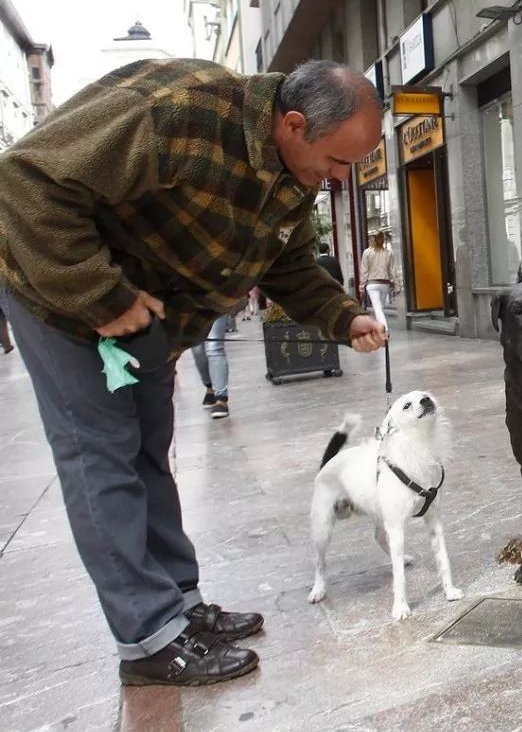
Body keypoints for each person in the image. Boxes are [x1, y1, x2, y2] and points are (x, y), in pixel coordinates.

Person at [0, 58, 387, 687]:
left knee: (151, 452)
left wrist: (345, 320)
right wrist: (104, 297)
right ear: (293, 123)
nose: (341, 178)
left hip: (148, 326)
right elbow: (24, 182)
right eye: (339, 162)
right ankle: (147, 639)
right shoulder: (179, 111)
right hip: (63, 299)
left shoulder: (297, 172)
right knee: (102, 459)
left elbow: (285, 269)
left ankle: (178, 606)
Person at [359, 231, 395, 316]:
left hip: (372, 284)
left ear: (372, 240)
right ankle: (380, 326)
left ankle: (384, 328)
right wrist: (397, 285)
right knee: (380, 307)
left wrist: (361, 285)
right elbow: (393, 270)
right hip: (385, 284)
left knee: (377, 308)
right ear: (383, 240)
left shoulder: (367, 252)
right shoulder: (388, 252)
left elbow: (364, 270)